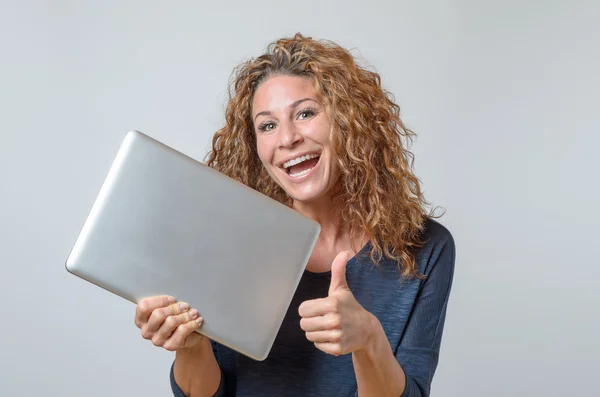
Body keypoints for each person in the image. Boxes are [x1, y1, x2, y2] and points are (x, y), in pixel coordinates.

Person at [133, 33, 455, 397]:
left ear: (349, 121)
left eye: (305, 113)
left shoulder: (425, 247)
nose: (287, 139)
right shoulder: (235, 241)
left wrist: (369, 341)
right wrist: (190, 347)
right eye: (267, 125)